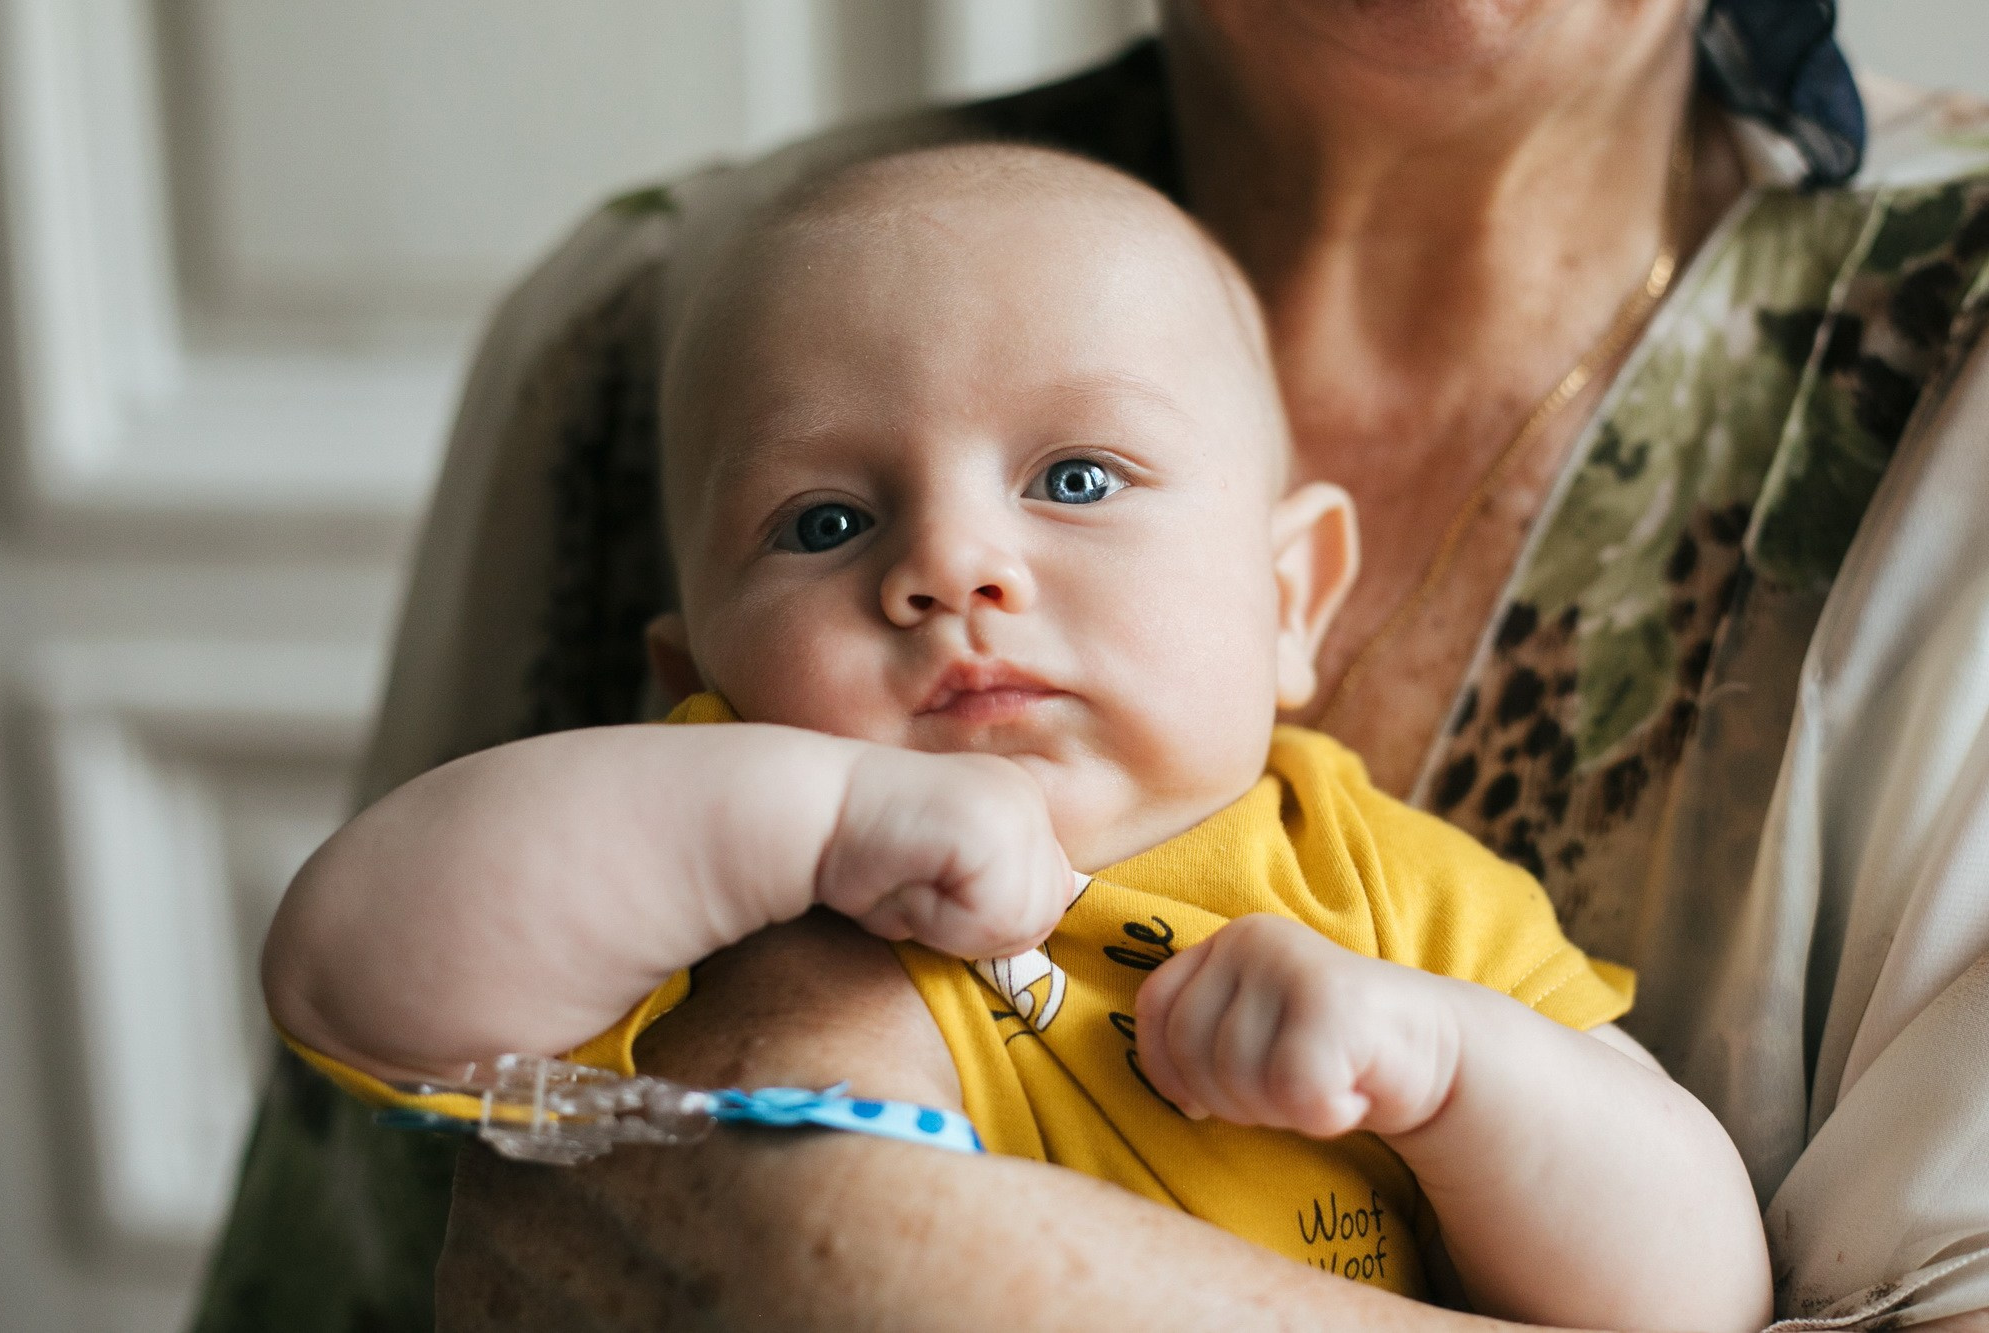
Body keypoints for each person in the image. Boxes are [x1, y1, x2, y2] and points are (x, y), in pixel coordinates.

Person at [193, 2, 1989, 1329]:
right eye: (822, 525)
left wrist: (1453, 1074)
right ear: (692, 656)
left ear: (1300, 601)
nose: (953, 567)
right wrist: (780, 807)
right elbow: (354, 972)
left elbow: (1689, 1289)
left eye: (1075, 481)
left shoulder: (1360, 885)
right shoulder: (706, 854)